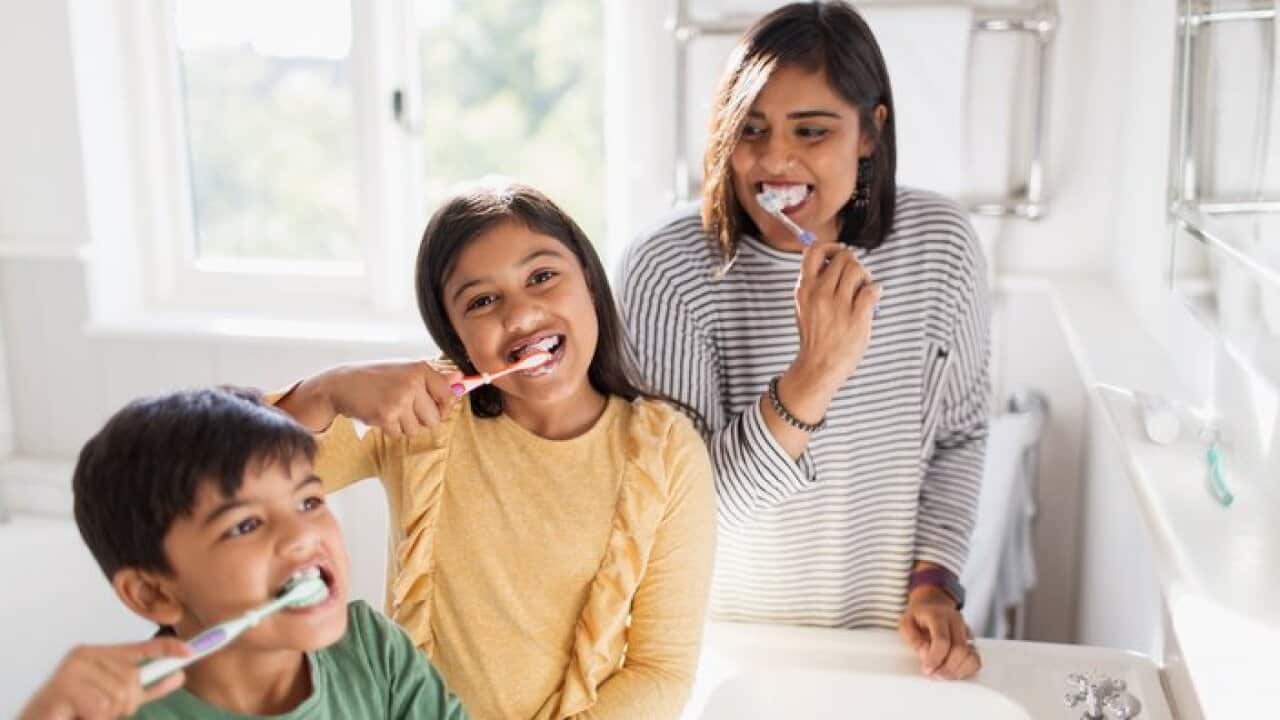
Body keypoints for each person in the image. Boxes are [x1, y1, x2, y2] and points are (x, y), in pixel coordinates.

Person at [618, 1, 989, 680]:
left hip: (886, 647)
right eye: (750, 130)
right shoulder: (667, 271)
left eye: (811, 131)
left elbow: (960, 436)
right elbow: (684, 515)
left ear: (871, 133)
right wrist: (813, 376)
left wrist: (935, 579)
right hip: (720, 651)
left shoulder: (942, 246)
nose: (774, 161)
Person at [271, 179, 716, 719]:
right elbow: (238, 476)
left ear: (591, 287)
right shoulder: (421, 418)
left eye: (543, 277)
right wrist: (328, 390)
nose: (521, 313)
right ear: (456, 338)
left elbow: (660, 671)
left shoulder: (665, 453)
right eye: (482, 300)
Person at [18, 387, 467, 719]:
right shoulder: (121, 712)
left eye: (309, 502)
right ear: (153, 592)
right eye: (245, 525)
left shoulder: (371, 650)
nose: (300, 535)